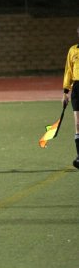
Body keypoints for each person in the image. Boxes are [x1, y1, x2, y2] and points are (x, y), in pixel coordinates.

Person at [62, 25, 79, 170]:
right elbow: (68, 71)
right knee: (78, 124)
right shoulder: (73, 50)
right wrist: (65, 92)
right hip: (77, 89)